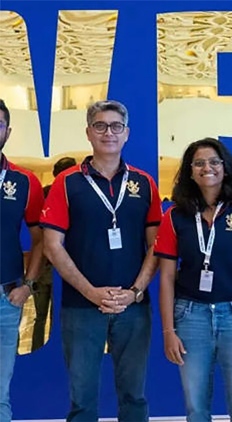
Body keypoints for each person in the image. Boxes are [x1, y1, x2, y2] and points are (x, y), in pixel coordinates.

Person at [40, 100, 162, 422]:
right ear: (88, 133)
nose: (109, 133)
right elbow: (52, 246)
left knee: (134, 397)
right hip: (81, 308)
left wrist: (134, 292)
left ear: (127, 134)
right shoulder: (67, 183)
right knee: (82, 401)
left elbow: (156, 245)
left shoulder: (144, 184)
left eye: (116, 126)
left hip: (133, 308)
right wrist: (91, 292)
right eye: (100, 126)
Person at [154, 137, 232, 421]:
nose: (207, 167)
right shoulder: (175, 216)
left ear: (225, 167)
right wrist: (168, 331)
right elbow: (167, 277)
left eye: (214, 162)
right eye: (199, 163)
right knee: (196, 407)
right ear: (190, 171)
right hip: (190, 316)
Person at [0, 99, 45, 422]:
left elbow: (41, 239)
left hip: (5, 297)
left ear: (8, 131)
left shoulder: (24, 181)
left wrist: (28, 285)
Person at [32, 156, 77, 352]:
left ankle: (37, 348)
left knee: (40, 316)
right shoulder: (76, 194)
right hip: (67, 265)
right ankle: (60, 351)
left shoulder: (44, 194)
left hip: (44, 265)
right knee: (58, 316)